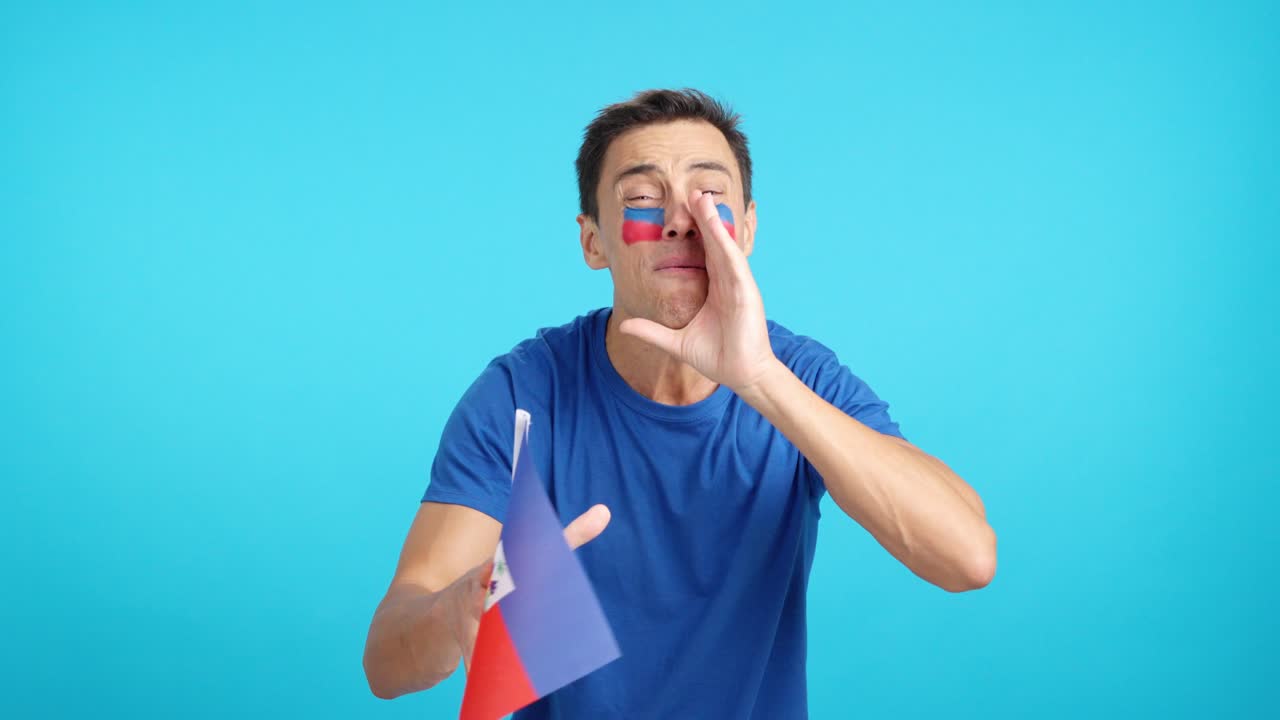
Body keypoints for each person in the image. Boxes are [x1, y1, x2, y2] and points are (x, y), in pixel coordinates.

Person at [363, 88, 996, 717]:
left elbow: (967, 557)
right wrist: (454, 614)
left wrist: (759, 379)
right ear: (593, 242)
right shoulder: (522, 395)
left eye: (710, 196)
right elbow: (387, 662)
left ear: (745, 230)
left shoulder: (799, 377)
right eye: (641, 198)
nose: (679, 218)